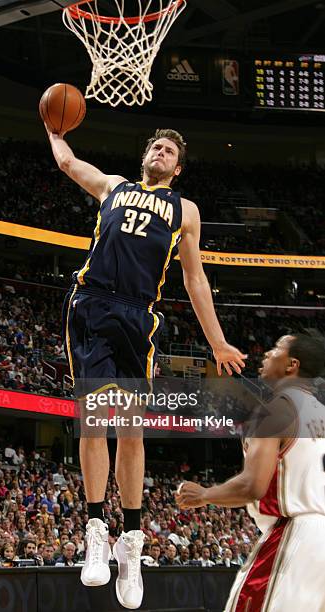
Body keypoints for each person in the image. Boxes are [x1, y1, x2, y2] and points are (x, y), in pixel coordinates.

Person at [45, 125, 246, 610]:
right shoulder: (114, 187)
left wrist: (216, 341)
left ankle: (130, 542)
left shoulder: (185, 210)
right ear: (145, 158)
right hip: (91, 304)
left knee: (131, 430)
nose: (160, 152)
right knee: (95, 422)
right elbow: (70, 164)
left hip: (137, 314)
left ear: (177, 169)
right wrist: (53, 130)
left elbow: (195, 277)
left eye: (170, 150)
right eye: (156, 146)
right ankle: (96, 529)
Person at [176, 334, 325, 611]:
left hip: (296, 537)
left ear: (292, 364)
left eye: (275, 348)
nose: (267, 354)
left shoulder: (278, 408)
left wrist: (205, 494)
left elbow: (253, 486)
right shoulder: (320, 412)